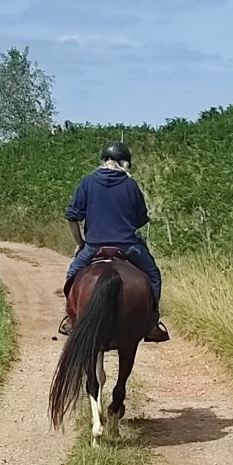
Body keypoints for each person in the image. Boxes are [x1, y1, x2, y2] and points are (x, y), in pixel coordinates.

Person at [61, 141, 169, 341]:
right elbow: (140, 220)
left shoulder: (87, 182)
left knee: (71, 275)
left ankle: (70, 319)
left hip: (94, 247)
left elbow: (71, 216)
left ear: (104, 161)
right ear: (124, 163)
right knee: (153, 275)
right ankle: (152, 323)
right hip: (128, 246)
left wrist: (81, 242)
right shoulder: (131, 184)